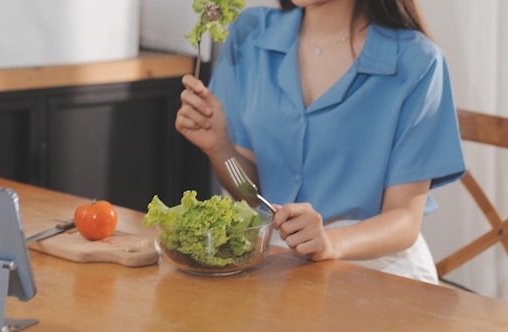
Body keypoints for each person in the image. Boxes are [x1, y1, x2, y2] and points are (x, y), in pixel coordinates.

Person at [175, 0, 466, 284]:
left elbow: (404, 220)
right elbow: (254, 196)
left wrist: (328, 242)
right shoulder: (250, 35)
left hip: (375, 268)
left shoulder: (419, 61)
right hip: (276, 263)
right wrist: (219, 146)